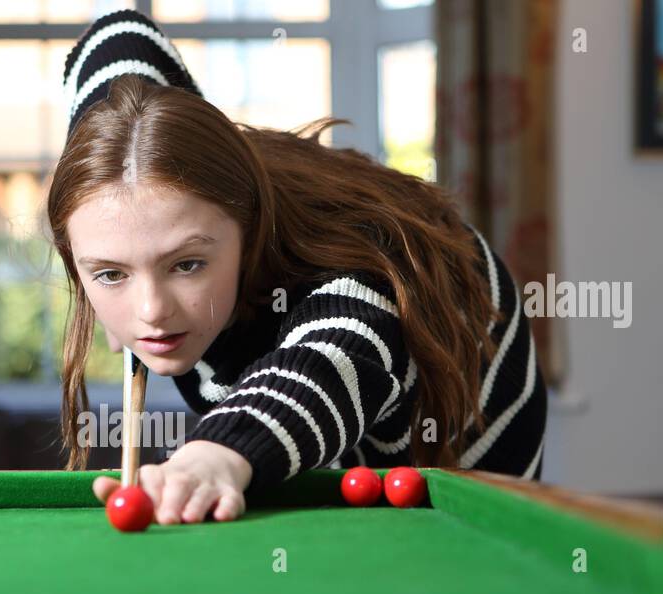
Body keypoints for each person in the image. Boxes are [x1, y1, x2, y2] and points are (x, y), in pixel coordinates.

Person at [48, 9, 546, 525]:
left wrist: (214, 453)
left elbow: (331, 360)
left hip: (465, 373)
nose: (150, 311)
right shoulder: (135, 204)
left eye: (187, 264)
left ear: (249, 225)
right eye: (111, 272)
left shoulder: (351, 272)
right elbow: (122, 33)